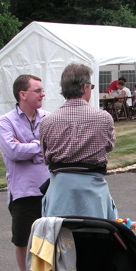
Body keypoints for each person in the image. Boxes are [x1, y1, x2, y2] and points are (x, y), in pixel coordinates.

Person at [0, 74, 50, 271]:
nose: (43, 94)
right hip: (22, 191)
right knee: (23, 240)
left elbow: (53, 147)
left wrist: (27, 147)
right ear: (23, 94)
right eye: (38, 90)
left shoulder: (48, 118)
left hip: (49, 188)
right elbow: (12, 151)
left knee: (52, 237)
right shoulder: (6, 122)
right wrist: (39, 146)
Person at [40, 63, 117, 219]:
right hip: (93, 190)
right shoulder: (103, 118)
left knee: (58, 237)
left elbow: (45, 156)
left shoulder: (47, 121)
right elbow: (109, 146)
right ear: (84, 88)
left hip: (60, 191)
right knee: (99, 234)